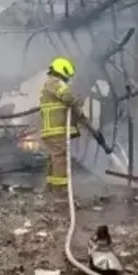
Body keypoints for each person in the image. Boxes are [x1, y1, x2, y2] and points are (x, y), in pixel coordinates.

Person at [39, 56, 89, 193]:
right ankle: (60, 190)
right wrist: (76, 101)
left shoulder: (50, 84)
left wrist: (82, 118)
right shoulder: (54, 82)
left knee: (54, 158)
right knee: (60, 158)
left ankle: (50, 189)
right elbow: (67, 97)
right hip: (56, 130)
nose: (67, 81)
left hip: (51, 130)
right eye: (67, 76)